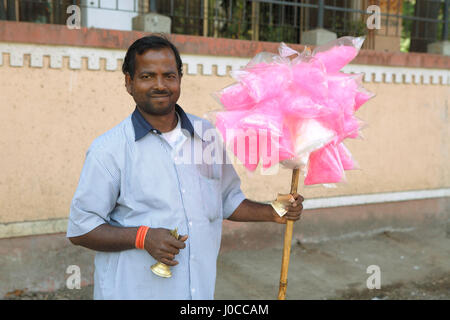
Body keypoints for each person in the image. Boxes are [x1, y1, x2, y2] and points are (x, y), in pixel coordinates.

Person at [67, 35, 304, 300]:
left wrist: (273, 211)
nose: (160, 85)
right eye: (147, 76)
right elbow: (81, 228)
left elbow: (226, 199)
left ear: (179, 78)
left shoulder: (207, 135)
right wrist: (143, 237)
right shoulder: (108, 150)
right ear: (128, 82)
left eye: (169, 76)